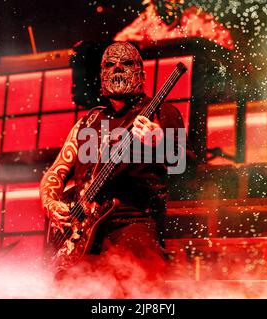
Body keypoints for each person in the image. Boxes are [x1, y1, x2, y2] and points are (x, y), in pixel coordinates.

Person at [40, 41, 194, 285]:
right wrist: (51, 203)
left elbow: (188, 169)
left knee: (137, 286)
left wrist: (159, 142)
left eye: (127, 63)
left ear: (141, 74)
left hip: (132, 225)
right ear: (101, 74)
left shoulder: (161, 113)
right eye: (110, 65)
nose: (118, 69)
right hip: (80, 236)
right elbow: (54, 174)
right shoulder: (88, 121)